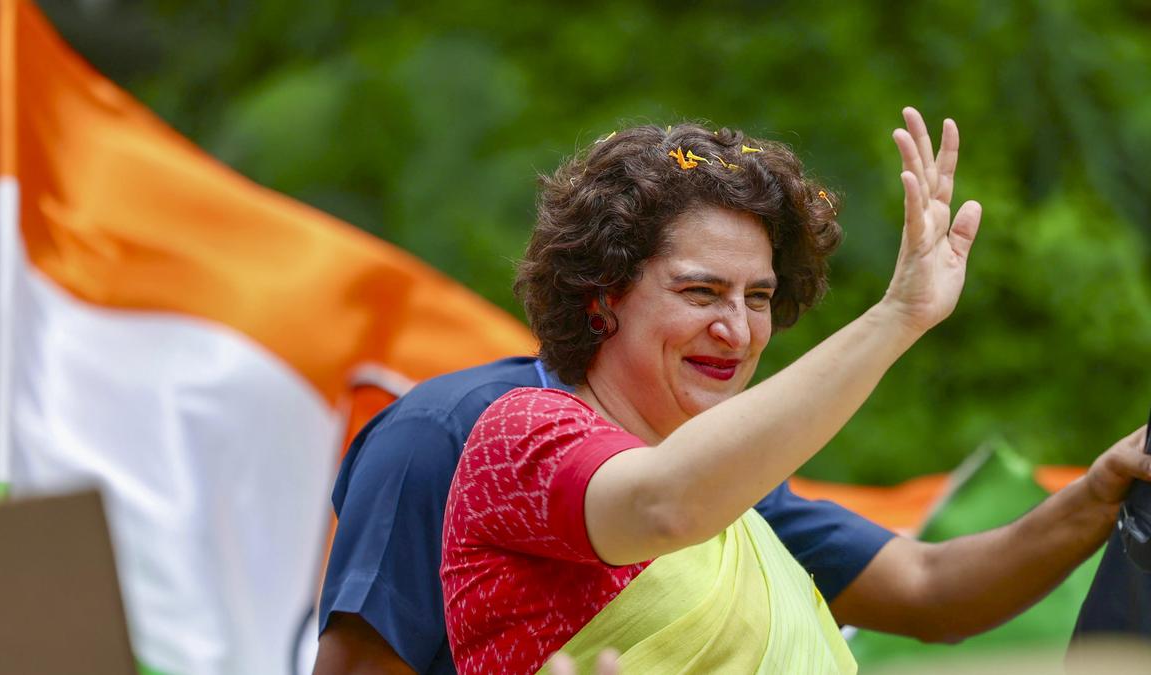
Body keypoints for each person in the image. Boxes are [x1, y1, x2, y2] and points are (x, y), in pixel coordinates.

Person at [313, 109, 1150, 674]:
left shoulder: (737, 491)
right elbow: (663, 506)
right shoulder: (478, 433)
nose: (739, 330)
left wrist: (1103, 489)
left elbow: (930, 589)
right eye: (702, 293)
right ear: (601, 293)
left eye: (757, 298)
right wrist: (900, 316)